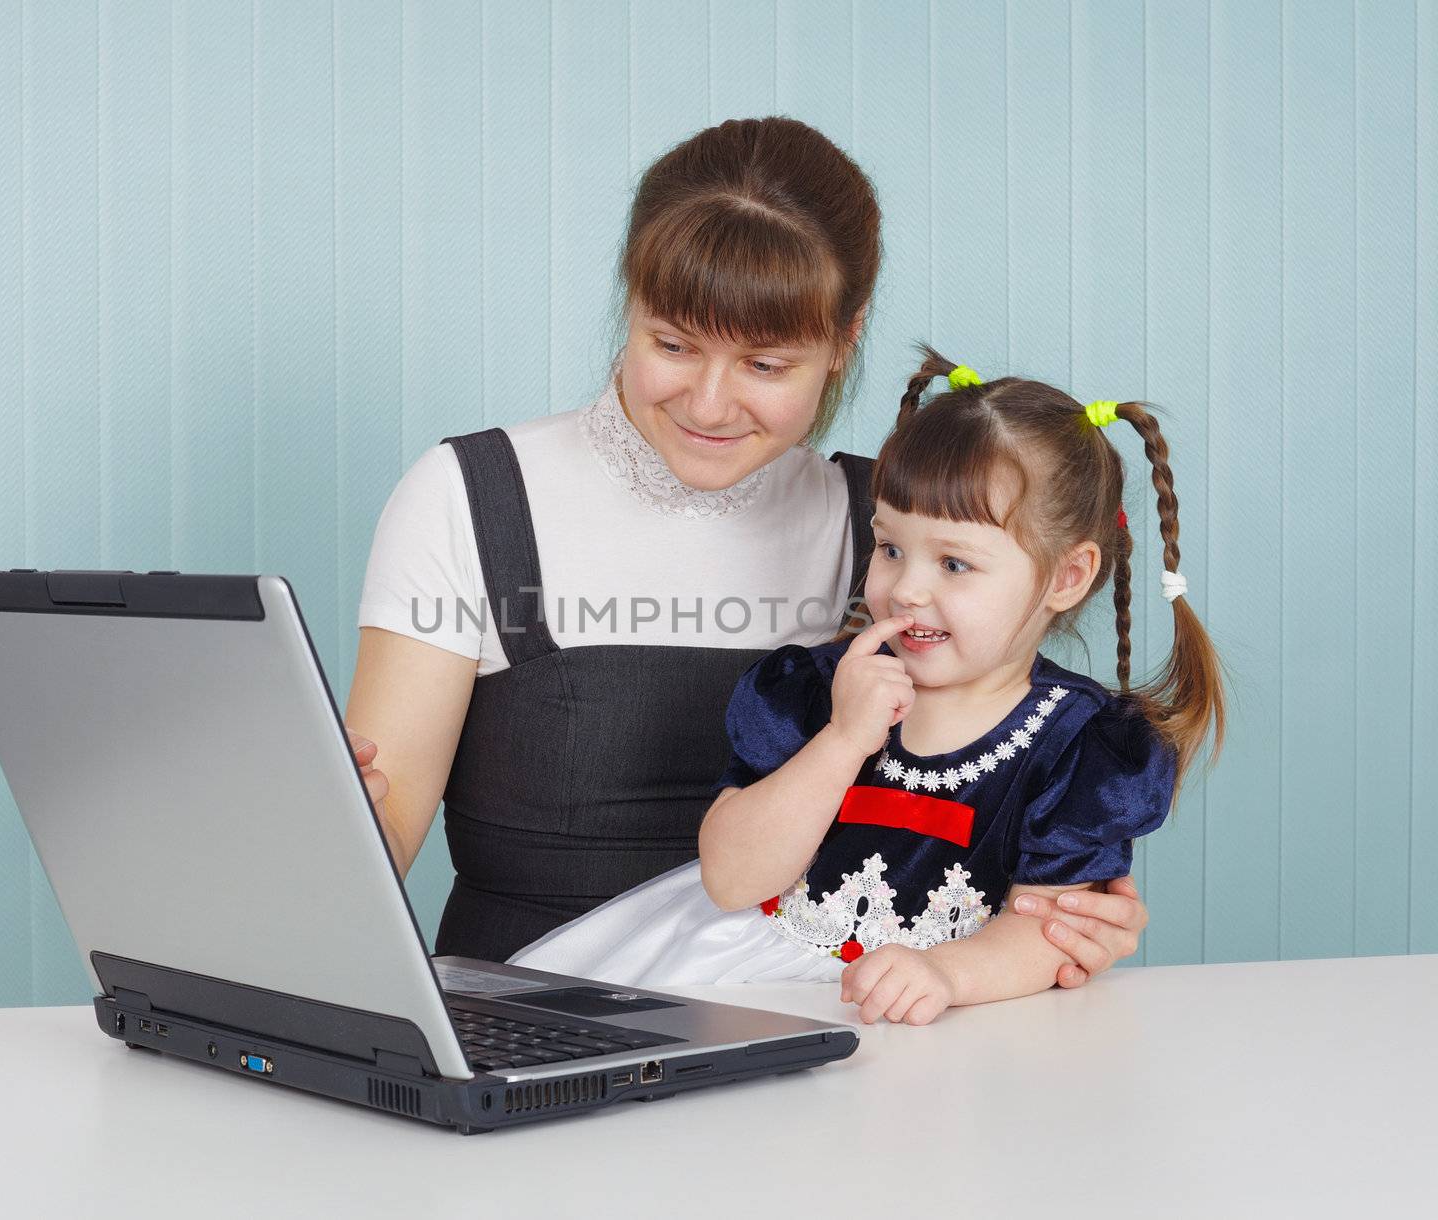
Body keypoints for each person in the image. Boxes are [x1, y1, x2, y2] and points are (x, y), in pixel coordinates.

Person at [345, 116, 1149, 983]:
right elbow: (369, 851)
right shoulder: (472, 497)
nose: (710, 403)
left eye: (766, 365)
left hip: (821, 1034)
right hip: (533, 1026)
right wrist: (317, 824)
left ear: (845, 341)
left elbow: (991, 786)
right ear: (631, 305)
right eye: (673, 344)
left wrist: (1058, 917)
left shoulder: (888, 529)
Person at [509, 348, 1225, 1025]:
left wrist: (945, 975)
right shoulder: (815, 689)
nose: (905, 587)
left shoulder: (1081, 746)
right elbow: (731, 878)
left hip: (936, 1011)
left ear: (1066, 577)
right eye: (889, 547)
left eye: (954, 564)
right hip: (738, 976)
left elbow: (1049, 932)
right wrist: (845, 738)